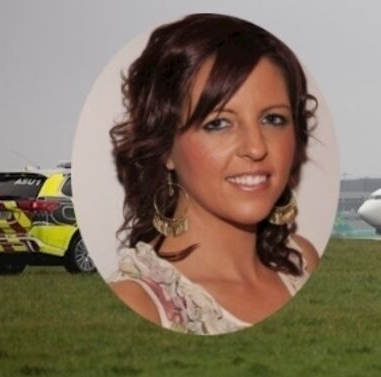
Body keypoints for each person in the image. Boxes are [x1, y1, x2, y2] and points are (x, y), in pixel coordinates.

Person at [108, 14, 320, 335]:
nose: (256, 147)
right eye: (218, 123)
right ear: (165, 147)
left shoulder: (302, 261)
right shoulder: (140, 303)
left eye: (273, 119)